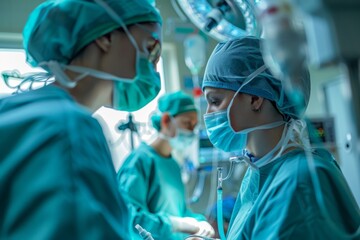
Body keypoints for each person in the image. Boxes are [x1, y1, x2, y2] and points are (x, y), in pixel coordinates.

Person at [0, 0, 162, 239]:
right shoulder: (67, 128)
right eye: (151, 48)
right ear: (105, 37)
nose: (154, 65)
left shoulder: (17, 110)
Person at [202, 36, 360, 239]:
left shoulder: (299, 181)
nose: (207, 113)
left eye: (215, 101)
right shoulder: (258, 172)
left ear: (255, 99)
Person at [117, 91, 215, 239]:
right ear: (166, 121)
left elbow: (180, 212)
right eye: (187, 123)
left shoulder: (173, 165)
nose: (192, 131)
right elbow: (130, 219)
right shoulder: (139, 162)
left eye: (194, 125)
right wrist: (176, 225)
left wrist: (199, 222)